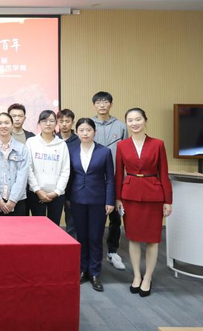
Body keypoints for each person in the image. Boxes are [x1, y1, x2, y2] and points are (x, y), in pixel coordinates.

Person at [115, 108, 173, 297]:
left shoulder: (158, 144)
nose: (134, 123)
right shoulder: (122, 145)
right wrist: (117, 198)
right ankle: (137, 276)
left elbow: (164, 173)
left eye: (138, 119)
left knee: (152, 239)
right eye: (130, 120)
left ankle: (147, 277)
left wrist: (168, 200)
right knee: (133, 238)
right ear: (126, 123)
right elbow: (118, 174)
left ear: (145, 120)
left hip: (153, 196)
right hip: (130, 196)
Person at [66, 118, 115, 292]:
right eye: (81, 130)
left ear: (94, 132)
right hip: (77, 199)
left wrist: (110, 201)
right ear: (77, 132)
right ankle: (82, 270)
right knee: (81, 236)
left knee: (95, 237)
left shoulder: (104, 152)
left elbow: (110, 179)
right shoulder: (71, 150)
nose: (85, 133)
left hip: (98, 201)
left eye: (88, 130)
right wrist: (68, 197)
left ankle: (95, 273)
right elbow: (69, 176)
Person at [91, 91, 127, 271]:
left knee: (115, 219)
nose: (102, 105)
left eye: (105, 101)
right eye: (98, 102)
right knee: (96, 220)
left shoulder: (121, 126)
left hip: (116, 179)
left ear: (111, 104)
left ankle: (112, 252)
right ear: (94, 105)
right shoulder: (89, 125)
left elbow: (126, 153)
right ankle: (93, 254)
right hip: (95, 181)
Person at [26, 110, 70, 224]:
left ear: (56, 123)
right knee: (38, 227)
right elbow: (28, 168)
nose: (48, 124)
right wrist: (37, 190)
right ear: (39, 123)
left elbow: (65, 171)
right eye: (44, 121)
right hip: (36, 193)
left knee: (54, 227)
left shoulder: (62, 145)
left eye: (51, 121)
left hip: (57, 194)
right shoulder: (31, 142)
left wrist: (57, 192)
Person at [0, 113, 29, 216]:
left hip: (17, 201)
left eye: (7, 123)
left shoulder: (22, 149)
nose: (3, 126)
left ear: (12, 126)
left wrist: (13, 200)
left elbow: (22, 177)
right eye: (0, 123)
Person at [57, 108, 79, 238]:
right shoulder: (52, 139)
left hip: (73, 185)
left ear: (73, 122)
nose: (64, 124)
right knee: (54, 220)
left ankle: (72, 245)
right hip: (55, 185)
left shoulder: (79, 140)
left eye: (67, 121)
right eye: (61, 121)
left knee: (72, 221)